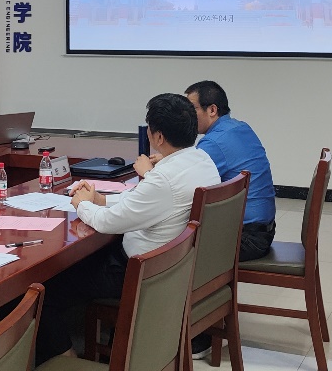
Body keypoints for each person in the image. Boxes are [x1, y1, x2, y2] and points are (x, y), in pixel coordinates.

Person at [34, 93, 219, 363]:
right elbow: (144, 202)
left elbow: (109, 222)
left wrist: (82, 204)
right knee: (82, 262)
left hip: (140, 272)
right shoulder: (201, 160)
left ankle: (67, 359)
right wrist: (101, 200)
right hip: (172, 266)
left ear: (158, 137)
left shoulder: (163, 178)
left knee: (44, 289)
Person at [186, 80, 276, 261]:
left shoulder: (213, 142)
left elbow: (184, 181)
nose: (186, 116)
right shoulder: (240, 127)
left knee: (172, 248)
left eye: (191, 109)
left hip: (246, 239)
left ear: (212, 110)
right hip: (264, 231)